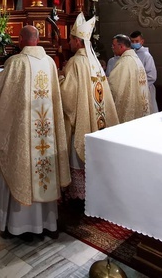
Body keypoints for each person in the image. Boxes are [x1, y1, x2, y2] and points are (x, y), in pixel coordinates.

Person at [0, 25, 70, 239]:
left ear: (21, 40)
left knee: (21, 168)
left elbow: (0, 87)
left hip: (24, 133)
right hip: (47, 133)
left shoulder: (16, 62)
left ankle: (18, 226)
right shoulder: (50, 62)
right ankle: (47, 223)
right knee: (45, 170)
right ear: (37, 39)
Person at [60, 14, 119, 200]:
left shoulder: (75, 62)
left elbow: (67, 95)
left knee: (78, 152)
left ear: (78, 41)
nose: (69, 43)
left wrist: (61, 78)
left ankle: (80, 195)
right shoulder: (94, 61)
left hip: (83, 118)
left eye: (70, 39)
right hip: (97, 115)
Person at [108, 34, 150, 122]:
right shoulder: (135, 59)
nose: (112, 47)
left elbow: (114, 86)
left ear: (121, 46)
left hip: (129, 106)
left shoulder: (124, 62)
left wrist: (103, 81)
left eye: (114, 45)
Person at [129, 30, 158, 113]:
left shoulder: (147, 56)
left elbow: (152, 76)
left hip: (146, 88)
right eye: (132, 41)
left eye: (137, 41)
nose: (134, 43)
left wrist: (138, 84)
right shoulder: (131, 54)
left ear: (142, 41)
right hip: (134, 89)